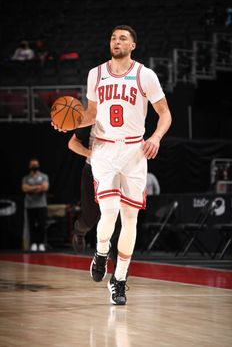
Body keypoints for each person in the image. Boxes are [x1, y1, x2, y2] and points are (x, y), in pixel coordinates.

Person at [52, 25, 172, 305]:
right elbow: (91, 114)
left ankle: (119, 280)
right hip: (104, 148)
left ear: (133, 45)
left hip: (134, 149)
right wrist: (66, 122)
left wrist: (155, 137)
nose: (116, 41)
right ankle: (101, 251)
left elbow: (165, 114)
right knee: (108, 211)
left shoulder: (145, 75)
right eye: (113, 37)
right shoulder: (96, 73)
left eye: (122, 38)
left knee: (130, 218)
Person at [68, 125, 121, 271]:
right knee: (90, 219)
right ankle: (79, 231)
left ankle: (118, 265)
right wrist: (92, 154)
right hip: (93, 170)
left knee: (117, 218)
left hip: (117, 171)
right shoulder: (93, 116)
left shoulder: (126, 113)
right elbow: (72, 143)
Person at [22, 158, 49, 251]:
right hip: (30, 205)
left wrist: (31, 188)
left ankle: (41, 243)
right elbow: (25, 189)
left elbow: (45, 187)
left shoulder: (44, 176)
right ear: (30, 166)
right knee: (32, 225)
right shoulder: (26, 178)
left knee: (41, 225)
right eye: (33, 165)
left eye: (36, 164)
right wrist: (38, 187)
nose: (34, 166)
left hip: (41, 205)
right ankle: (33, 243)